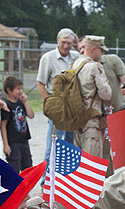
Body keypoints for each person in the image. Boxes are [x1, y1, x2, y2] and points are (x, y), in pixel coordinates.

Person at [36, 28, 80, 163]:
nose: (66, 46)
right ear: (57, 41)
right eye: (63, 42)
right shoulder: (48, 58)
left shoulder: (76, 57)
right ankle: (46, 180)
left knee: (70, 144)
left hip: (72, 108)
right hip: (58, 106)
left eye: (70, 43)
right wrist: (50, 105)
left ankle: (64, 180)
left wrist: (78, 45)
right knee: (53, 144)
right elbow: (41, 83)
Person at [70, 35, 111, 158]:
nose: (102, 53)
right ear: (94, 49)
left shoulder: (74, 65)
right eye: (101, 50)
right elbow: (106, 94)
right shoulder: (94, 66)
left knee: (77, 163)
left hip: (77, 120)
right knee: (91, 163)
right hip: (91, 122)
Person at [0, 76, 35, 172]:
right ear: (9, 90)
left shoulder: (21, 102)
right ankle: (14, 187)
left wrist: (25, 102)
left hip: (24, 141)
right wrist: (6, 145)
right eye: (18, 89)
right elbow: (3, 126)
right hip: (13, 143)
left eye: (21, 88)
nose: (21, 91)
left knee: (28, 167)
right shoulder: (6, 105)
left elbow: (31, 115)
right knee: (14, 167)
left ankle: (26, 187)